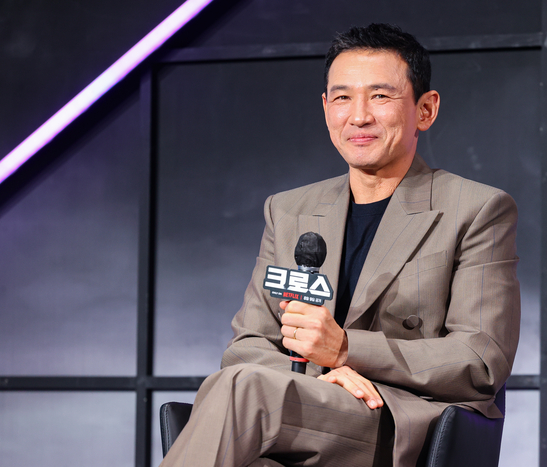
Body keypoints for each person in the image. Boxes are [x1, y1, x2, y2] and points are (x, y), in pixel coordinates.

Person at [160, 23, 520, 467]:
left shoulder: (476, 208)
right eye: (343, 97)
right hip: (306, 405)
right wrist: (325, 376)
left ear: (425, 110)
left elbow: (479, 360)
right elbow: (247, 346)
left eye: (380, 96)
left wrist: (347, 350)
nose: (359, 116)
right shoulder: (289, 210)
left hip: (397, 419)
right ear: (326, 107)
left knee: (240, 388)